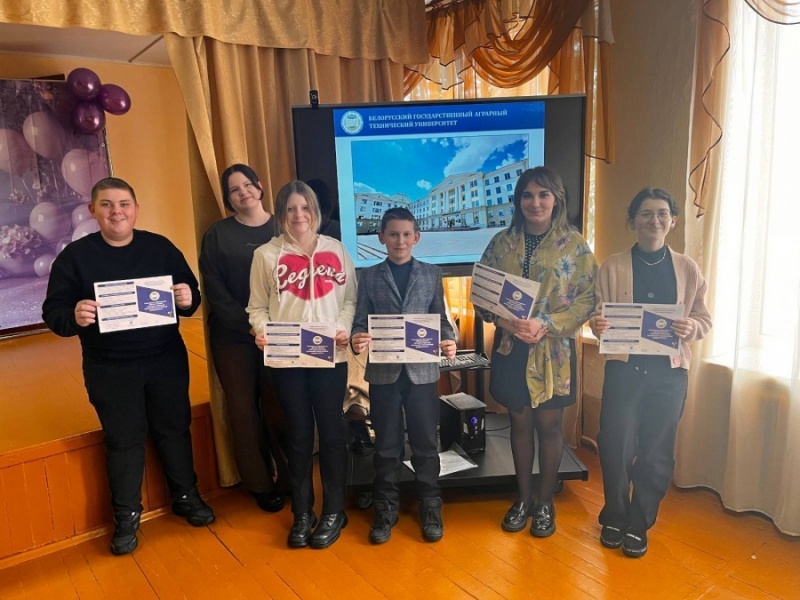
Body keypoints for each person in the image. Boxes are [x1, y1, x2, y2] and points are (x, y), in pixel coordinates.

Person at [42, 177, 215, 556]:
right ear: (93, 210)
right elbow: (53, 313)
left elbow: (191, 297)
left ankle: (186, 496)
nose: (116, 212)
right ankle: (126, 515)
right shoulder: (75, 258)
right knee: (123, 439)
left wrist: (188, 298)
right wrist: (74, 315)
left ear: (136, 209)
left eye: (123, 204)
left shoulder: (160, 248)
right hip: (109, 367)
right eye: (106, 204)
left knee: (174, 428)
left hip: (165, 359)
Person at [589, 187, 711, 558]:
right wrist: (597, 325)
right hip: (624, 370)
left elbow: (704, 318)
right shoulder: (612, 266)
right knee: (615, 445)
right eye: (645, 213)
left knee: (657, 452)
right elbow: (599, 315)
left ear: (672, 221)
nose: (654, 220)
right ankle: (614, 514)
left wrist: (692, 327)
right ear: (633, 221)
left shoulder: (687, 268)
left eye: (661, 214)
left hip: (668, 376)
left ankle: (639, 522)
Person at [476, 166, 597, 538]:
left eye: (544, 195)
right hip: (512, 348)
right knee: (520, 424)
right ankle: (523, 498)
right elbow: (481, 295)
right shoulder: (501, 243)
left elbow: (588, 299)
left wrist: (546, 323)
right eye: (527, 195)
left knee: (549, 426)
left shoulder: (575, 245)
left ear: (557, 199)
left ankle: (545, 503)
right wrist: (506, 321)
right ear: (518, 200)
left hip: (553, 354)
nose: (535, 202)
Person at [247, 180, 357, 549]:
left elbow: (350, 300)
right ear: (281, 213)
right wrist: (262, 330)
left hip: (330, 355)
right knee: (297, 435)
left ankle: (334, 511)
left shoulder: (336, 249)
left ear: (315, 211)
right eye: (291, 208)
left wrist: (342, 328)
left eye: (305, 207)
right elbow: (256, 307)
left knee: (332, 433)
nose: (299, 215)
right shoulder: (265, 255)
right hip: (287, 358)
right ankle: (303, 512)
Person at [350, 208, 457, 544]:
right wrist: (356, 338)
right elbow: (359, 321)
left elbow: (441, 319)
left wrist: (449, 340)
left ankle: (430, 503)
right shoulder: (369, 276)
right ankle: (385, 506)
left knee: (425, 442)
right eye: (393, 234)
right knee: (386, 444)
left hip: (422, 373)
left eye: (406, 234)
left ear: (416, 238)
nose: (400, 241)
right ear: (381, 237)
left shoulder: (431, 274)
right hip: (384, 373)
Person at [199, 163, 289, 513]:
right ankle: (260, 484)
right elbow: (214, 288)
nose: (243, 193)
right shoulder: (217, 235)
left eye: (247, 185)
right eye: (234, 190)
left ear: (260, 186)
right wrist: (251, 325)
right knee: (243, 410)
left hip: (281, 334)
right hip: (234, 336)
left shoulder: (284, 226)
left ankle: (290, 477)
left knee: (281, 406)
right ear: (228, 198)